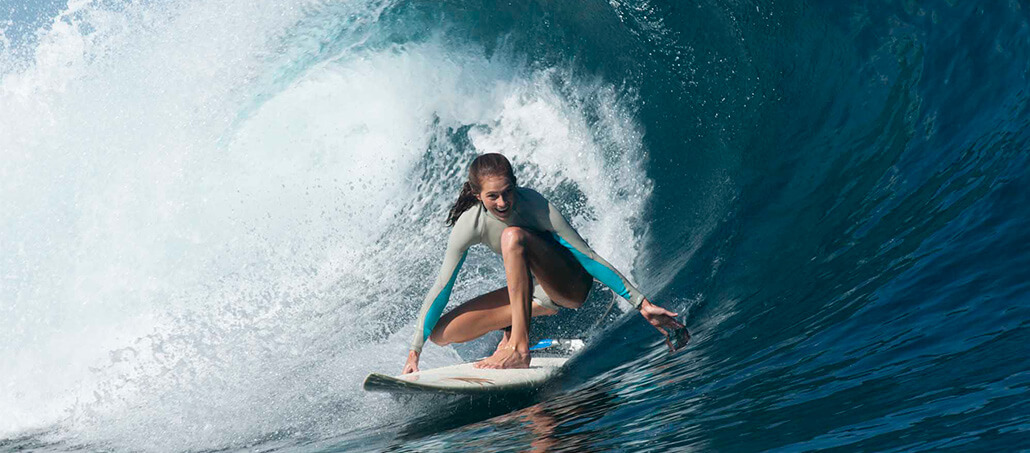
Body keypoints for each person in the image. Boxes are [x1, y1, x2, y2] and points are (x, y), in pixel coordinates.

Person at [403, 153, 686, 373]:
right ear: (478, 196)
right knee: (442, 333)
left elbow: (586, 255)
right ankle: (515, 328)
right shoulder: (470, 224)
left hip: (570, 286)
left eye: (507, 191)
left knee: (512, 238)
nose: (503, 202)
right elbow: (443, 286)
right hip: (535, 294)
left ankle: (519, 348)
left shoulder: (534, 205)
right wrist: (415, 351)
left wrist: (641, 303)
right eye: (492, 196)